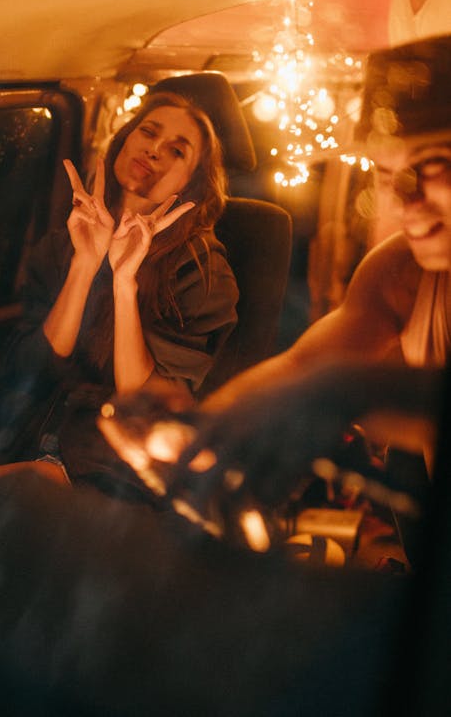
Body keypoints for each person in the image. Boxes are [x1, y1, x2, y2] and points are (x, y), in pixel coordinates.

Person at [94, 35, 451, 529]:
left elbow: (323, 382)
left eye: (434, 164)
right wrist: (197, 432)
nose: (406, 204)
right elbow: (302, 365)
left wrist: (345, 388)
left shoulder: (205, 268)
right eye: (389, 175)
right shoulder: (399, 271)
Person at [0, 90, 238, 497]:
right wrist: (84, 266)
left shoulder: (203, 273)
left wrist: (125, 283)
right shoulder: (62, 244)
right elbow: (29, 370)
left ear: (192, 184)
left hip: (108, 465)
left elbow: (147, 407)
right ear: (124, 140)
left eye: (177, 151)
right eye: (148, 132)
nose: (154, 149)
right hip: (23, 433)